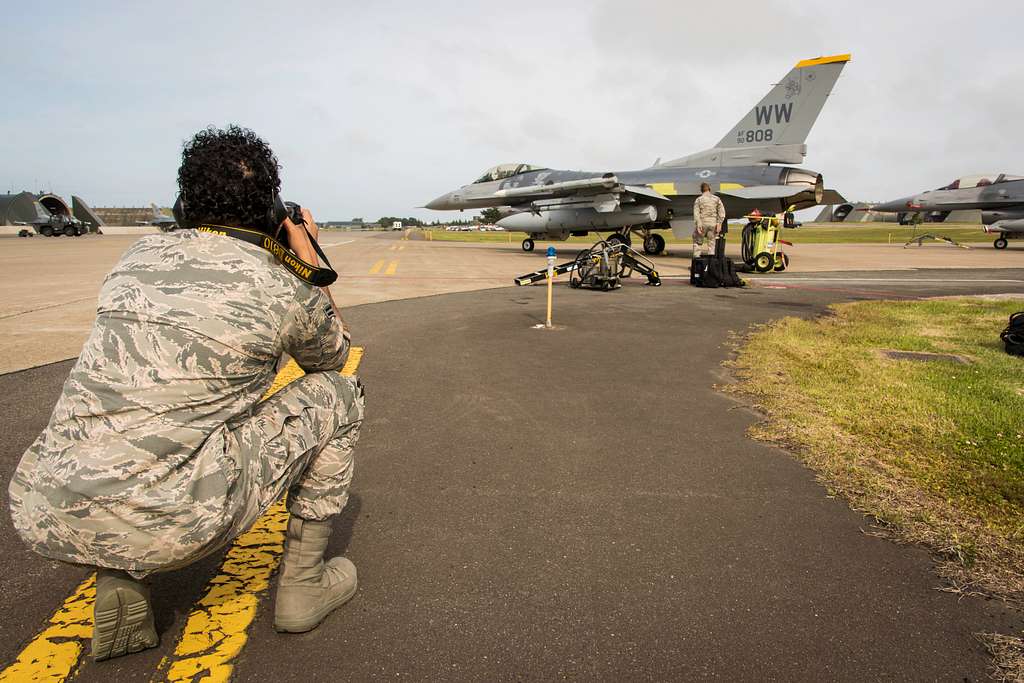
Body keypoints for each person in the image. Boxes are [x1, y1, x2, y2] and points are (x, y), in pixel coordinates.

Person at [7, 125, 365, 660]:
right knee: (340, 395)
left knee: (140, 412)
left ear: (182, 203)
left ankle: (122, 574)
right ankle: (303, 586)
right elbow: (332, 358)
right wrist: (308, 258)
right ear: (272, 209)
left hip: (45, 505)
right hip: (174, 518)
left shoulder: (134, 260)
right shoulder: (280, 282)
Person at [692, 182, 726, 258]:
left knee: (698, 242)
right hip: (713, 224)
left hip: (703, 223)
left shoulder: (699, 200)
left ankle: (697, 262)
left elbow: (696, 213)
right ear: (709, 189)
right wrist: (719, 223)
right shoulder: (716, 199)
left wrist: (698, 224)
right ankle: (711, 263)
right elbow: (722, 212)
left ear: (701, 190)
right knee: (712, 243)